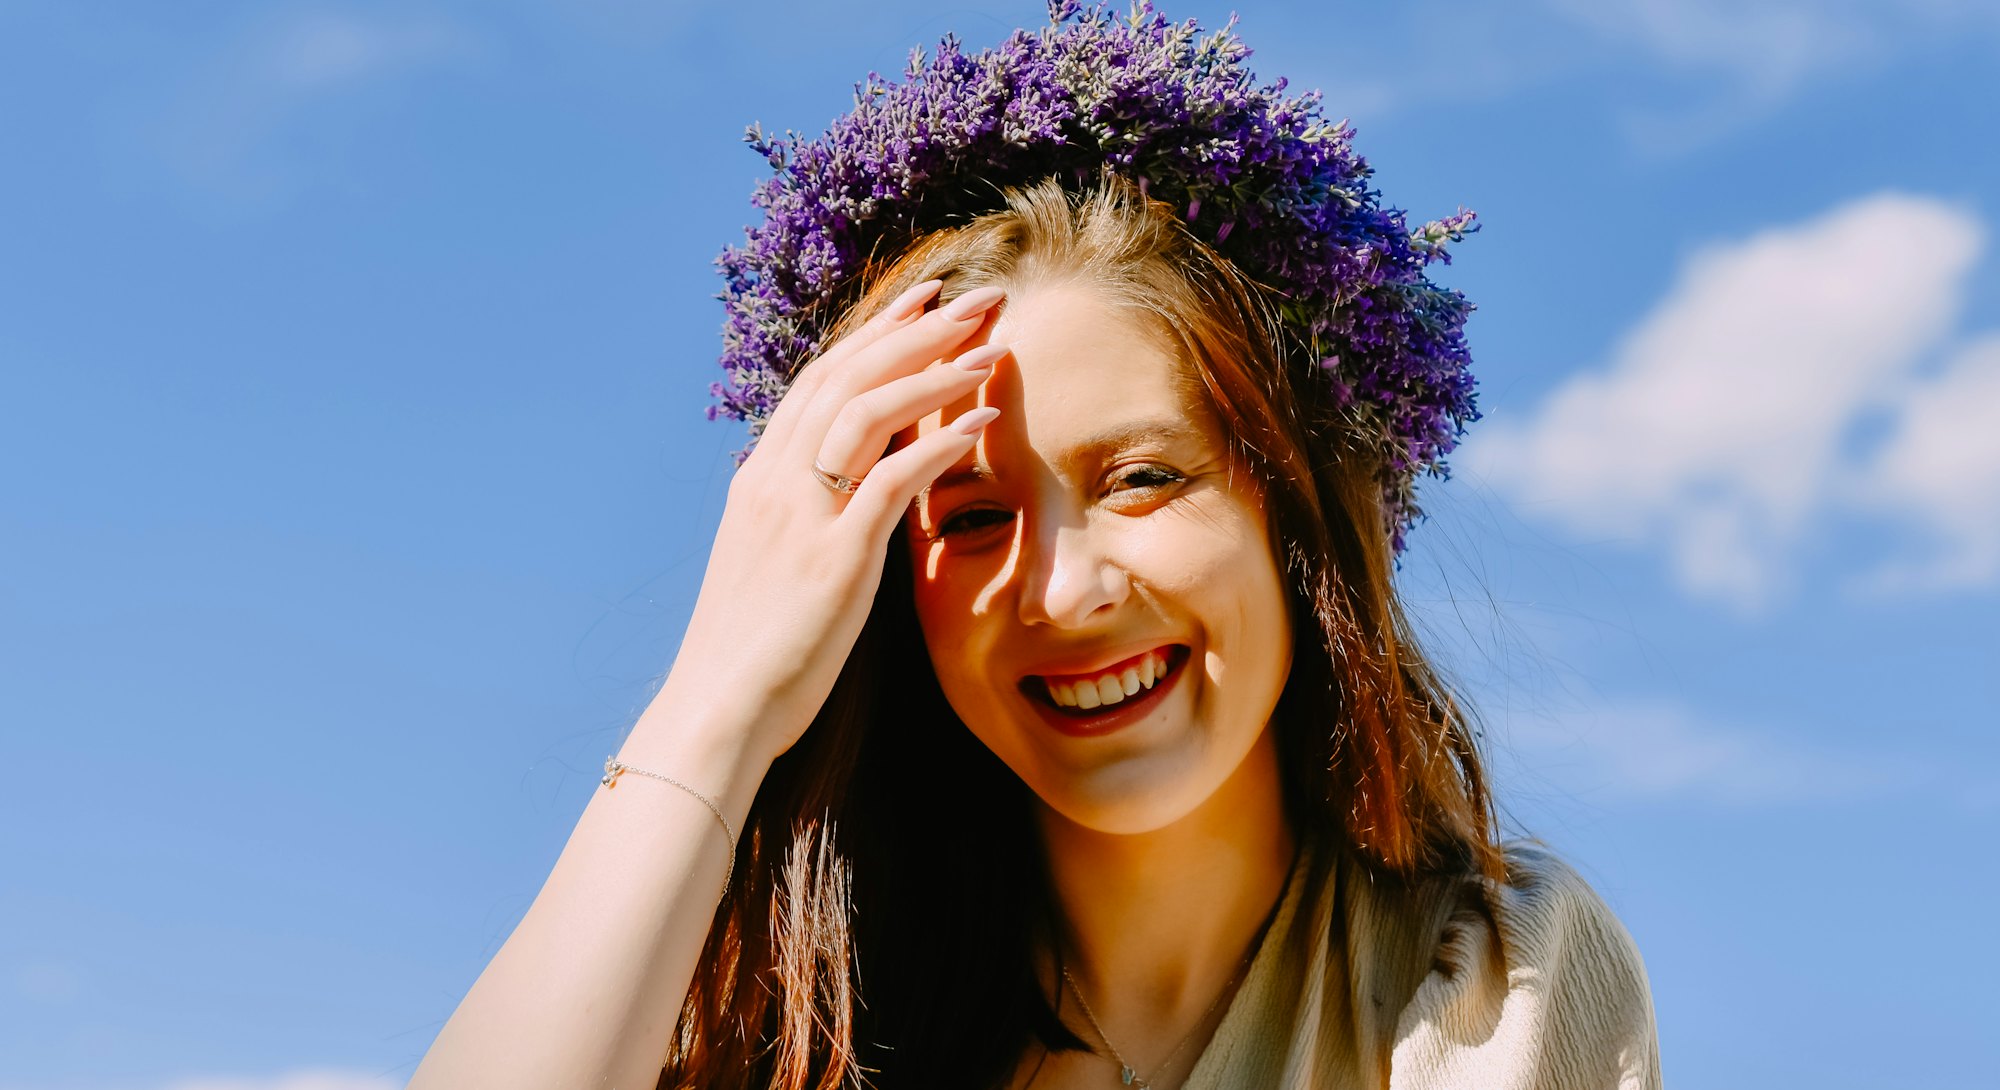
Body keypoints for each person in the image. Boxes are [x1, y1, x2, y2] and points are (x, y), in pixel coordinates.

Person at [409, 7, 1660, 1090]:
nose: (1063, 589)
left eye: (1141, 478)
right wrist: (712, 706)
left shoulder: (1488, 982)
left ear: (1291, 513)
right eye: (968, 515)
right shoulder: (798, 1029)